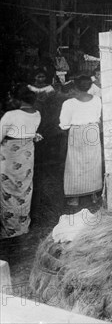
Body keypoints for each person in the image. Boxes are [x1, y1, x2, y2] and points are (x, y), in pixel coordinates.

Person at [0, 87, 42, 238]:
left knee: (8, 190)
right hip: (26, 155)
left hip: (10, 157)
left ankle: (10, 230)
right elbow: (28, 133)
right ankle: (23, 227)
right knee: (24, 189)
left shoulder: (10, 115)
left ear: (18, 99)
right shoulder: (37, 114)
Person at [59, 75, 102, 207]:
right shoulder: (97, 100)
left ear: (75, 87)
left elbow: (64, 124)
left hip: (77, 132)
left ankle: (75, 197)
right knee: (93, 161)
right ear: (90, 86)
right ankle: (93, 194)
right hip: (93, 131)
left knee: (75, 162)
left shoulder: (69, 103)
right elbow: (98, 116)